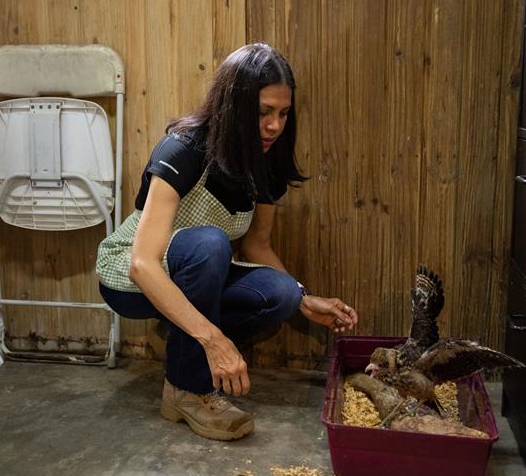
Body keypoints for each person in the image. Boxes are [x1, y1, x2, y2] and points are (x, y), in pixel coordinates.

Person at [96, 43, 359, 441]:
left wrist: (304, 299)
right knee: (210, 244)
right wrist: (215, 340)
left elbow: (258, 248)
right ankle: (189, 389)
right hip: (129, 275)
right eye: (263, 113)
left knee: (281, 294)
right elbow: (142, 263)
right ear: (234, 107)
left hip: (195, 273)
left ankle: (186, 350)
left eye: (283, 113)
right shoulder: (183, 149)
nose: (274, 126)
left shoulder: (266, 165)